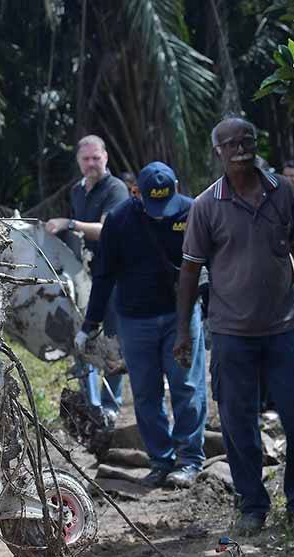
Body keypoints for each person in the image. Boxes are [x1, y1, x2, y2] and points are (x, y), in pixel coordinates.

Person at [174, 117, 294, 535]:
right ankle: (252, 505)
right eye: (231, 143)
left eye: (247, 140)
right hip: (231, 333)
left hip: (286, 328)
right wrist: (183, 332)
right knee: (238, 422)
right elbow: (189, 273)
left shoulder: (283, 193)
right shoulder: (206, 205)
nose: (240, 148)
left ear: (257, 143)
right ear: (218, 152)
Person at [76, 162, 206, 488]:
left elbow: (211, 264)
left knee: (186, 388)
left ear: (177, 186)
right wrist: (89, 323)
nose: (162, 213)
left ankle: (189, 460)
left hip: (182, 316)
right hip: (135, 320)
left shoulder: (191, 213)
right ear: (136, 193)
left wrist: (215, 310)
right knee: (146, 394)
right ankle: (161, 460)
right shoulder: (119, 220)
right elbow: (103, 276)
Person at [45, 135, 130, 418]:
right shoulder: (77, 191)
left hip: (115, 276)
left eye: (96, 158)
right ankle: (90, 406)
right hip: (84, 276)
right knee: (82, 337)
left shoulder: (116, 189)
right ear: (79, 162)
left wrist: (69, 223)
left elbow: (108, 230)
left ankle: (111, 406)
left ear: (106, 157)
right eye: (86, 159)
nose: (92, 163)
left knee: (112, 340)